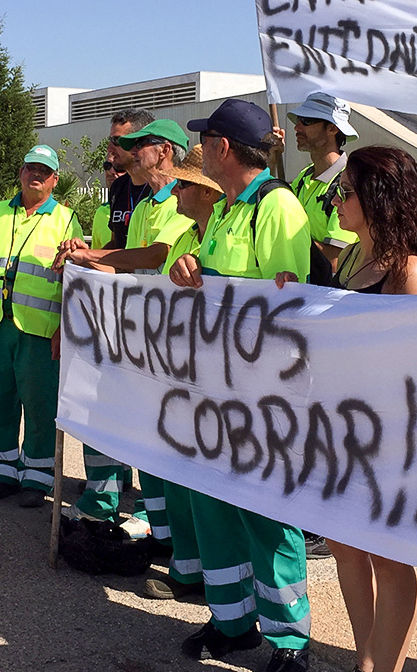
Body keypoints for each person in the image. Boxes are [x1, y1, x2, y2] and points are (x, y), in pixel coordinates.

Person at [169, 98, 313, 672]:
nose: (199, 151)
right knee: (214, 505)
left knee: (266, 513)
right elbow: (213, 284)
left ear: (224, 149)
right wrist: (188, 273)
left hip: (260, 394)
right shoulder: (227, 210)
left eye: (205, 141)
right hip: (216, 388)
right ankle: (232, 621)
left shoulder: (277, 207)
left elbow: (288, 303)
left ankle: (289, 641)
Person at [302, 146, 417, 672]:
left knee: (389, 557)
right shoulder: (346, 257)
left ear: (376, 197)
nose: (335, 200)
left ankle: (383, 666)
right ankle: (367, 657)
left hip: (390, 435)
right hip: (339, 427)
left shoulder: (409, 270)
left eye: (345, 192)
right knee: (344, 545)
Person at [52, 119, 193, 546]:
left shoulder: (178, 203)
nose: (127, 153)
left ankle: (160, 524)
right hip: (135, 336)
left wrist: (94, 253)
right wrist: (87, 263)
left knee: (161, 431)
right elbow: (124, 264)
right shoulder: (146, 203)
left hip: (170, 340)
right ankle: (145, 518)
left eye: (137, 145)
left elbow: (156, 255)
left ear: (164, 151)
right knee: (129, 422)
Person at [0, 145, 80, 508]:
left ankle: (38, 478)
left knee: (40, 405)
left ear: (55, 179)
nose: (35, 175)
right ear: (21, 172)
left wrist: (63, 327)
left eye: (44, 170)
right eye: (30, 168)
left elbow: (70, 279)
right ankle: (1, 471)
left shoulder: (65, 219)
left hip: (39, 328)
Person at [141, 143, 221, 602]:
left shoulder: (234, 227)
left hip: (218, 381)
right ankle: (188, 569)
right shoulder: (193, 236)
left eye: (186, 184)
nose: (176, 193)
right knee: (181, 477)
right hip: (182, 373)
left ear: (208, 193)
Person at [276, 92, 361, 271]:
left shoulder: (349, 183)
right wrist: (270, 158)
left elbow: (335, 262)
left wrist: (288, 237)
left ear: (332, 129)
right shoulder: (303, 177)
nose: (297, 128)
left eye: (307, 121)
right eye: (298, 120)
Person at [103, 109, 155, 249]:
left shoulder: (162, 189)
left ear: (140, 141)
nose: (109, 148)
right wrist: (81, 257)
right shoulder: (118, 186)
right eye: (110, 140)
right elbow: (116, 244)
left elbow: (156, 254)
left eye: (117, 141)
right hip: (122, 270)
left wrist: (88, 256)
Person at [90, 159, 125, 251]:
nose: (111, 171)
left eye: (118, 167)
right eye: (107, 166)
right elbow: (96, 252)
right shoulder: (100, 211)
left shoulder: (142, 206)